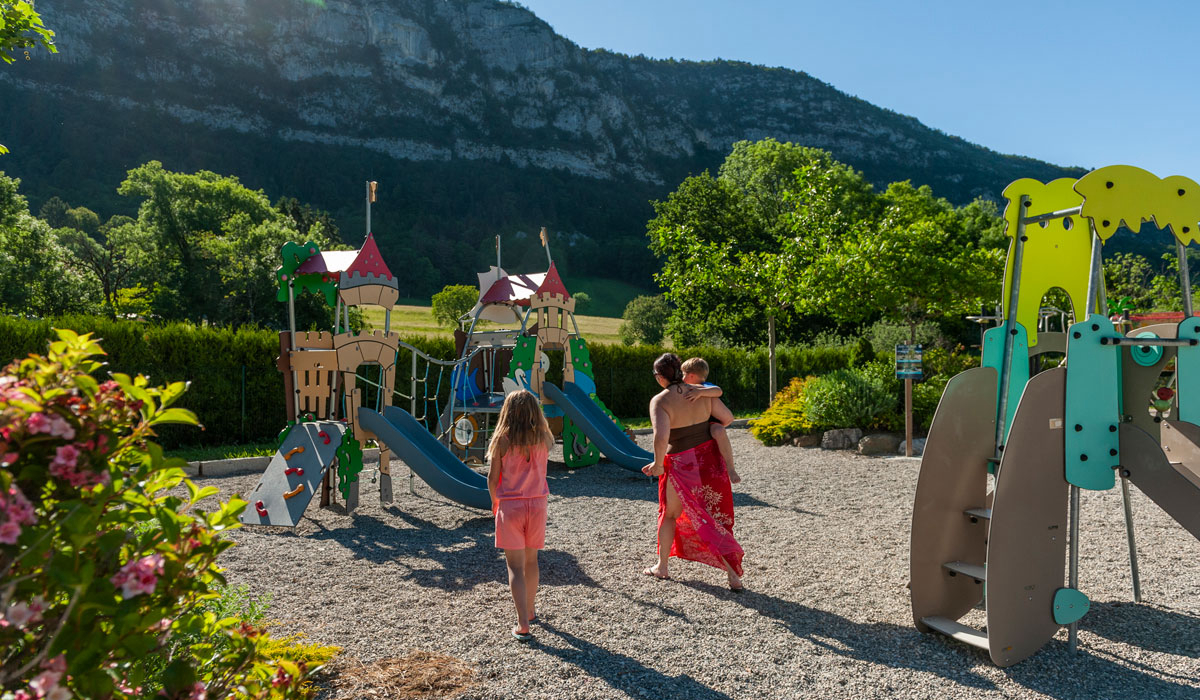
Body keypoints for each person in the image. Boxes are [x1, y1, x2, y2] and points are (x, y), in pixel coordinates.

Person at [642, 353, 744, 591]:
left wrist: (658, 464)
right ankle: (733, 576)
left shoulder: (660, 401)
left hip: (680, 464)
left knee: (669, 514)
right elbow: (727, 418)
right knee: (716, 519)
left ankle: (662, 566)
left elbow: (661, 437)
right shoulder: (701, 391)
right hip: (709, 460)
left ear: (659, 377)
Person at [487, 389, 555, 641]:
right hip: (537, 504)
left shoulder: (502, 440)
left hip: (511, 506)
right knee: (531, 562)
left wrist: (494, 502)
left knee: (514, 566)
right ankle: (531, 610)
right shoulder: (543, 438)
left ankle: (522, 622)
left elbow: (493, 479)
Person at [679, 357, 739, 484]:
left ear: (691, 375)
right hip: (697, 422)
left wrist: (700, 392)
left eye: (683, 374)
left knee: (719, 430)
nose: (681, 377)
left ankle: (731, 468)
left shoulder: (703, 386)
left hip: (711, 420)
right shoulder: (684, 386)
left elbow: (718, 391)